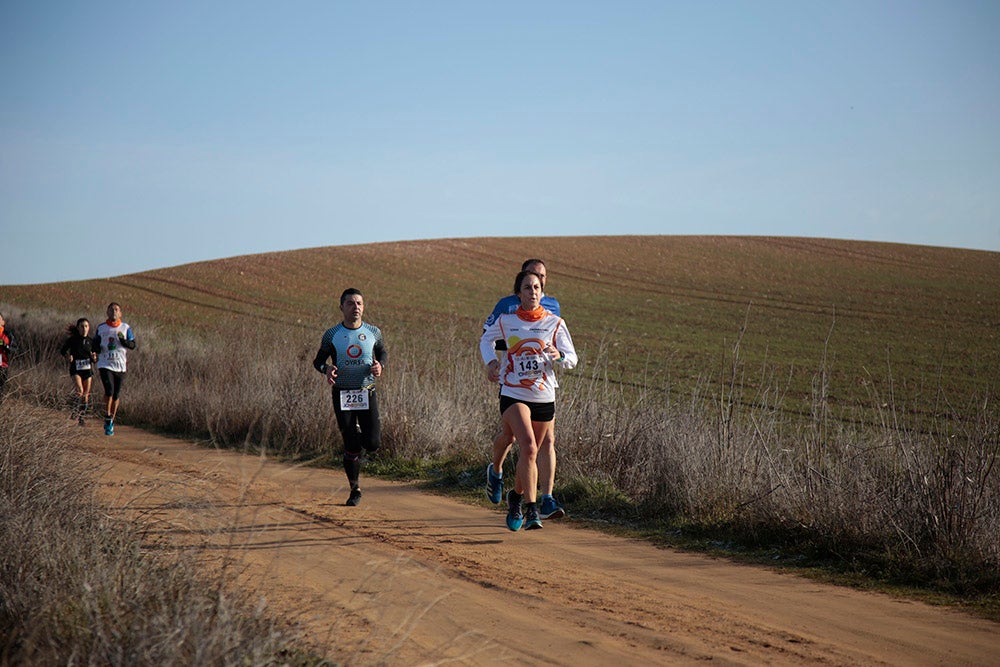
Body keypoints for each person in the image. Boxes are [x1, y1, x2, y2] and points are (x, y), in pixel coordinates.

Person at [480, 269, 577, 531]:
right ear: (518, 294)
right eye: (527, 288)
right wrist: (491, 362)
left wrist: (558, 355)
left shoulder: (555, 322)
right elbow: (486, 340)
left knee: (530, 453)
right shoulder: (506, 320)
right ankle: (532, 510)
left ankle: (515, 498)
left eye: (536, 288)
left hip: (544, 394)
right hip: (513, 392)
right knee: (530, 447)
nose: (532, 292)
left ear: (542, 293)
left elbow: (572, 358)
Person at [312, 288, 388, 507]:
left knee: (372, 443)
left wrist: (379, 365)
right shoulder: (332, 334)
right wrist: (326, 369)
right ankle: (355, 489)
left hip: (366, 392)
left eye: (359, 303)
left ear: (363, 307)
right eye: (350, 303)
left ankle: (355, 447)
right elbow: (318, 361)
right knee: (351, 444)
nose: (356, 307)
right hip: (342, 394)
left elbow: (382, 352)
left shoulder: (373, 331)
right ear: (342, 307)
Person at [93, 303, 136, 436]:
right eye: (111, 309)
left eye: (116, 309)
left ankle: (111, 419)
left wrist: (124, 341)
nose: (114, 312)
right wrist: (95, 351)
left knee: (116, 394)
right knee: (109, 390)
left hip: (120, 365)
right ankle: (106, 415)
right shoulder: (101, 328)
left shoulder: (125, 328)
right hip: (105, 364)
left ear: (120, 313)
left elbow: (133, 344)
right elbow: (94, 344)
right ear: (107, 312)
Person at [60, 318, 97, 425]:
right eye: (82, 326)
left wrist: (94, 358)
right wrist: (68, 356)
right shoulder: (72, 340)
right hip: (76, 369)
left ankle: (81, 417)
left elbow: (94, 358)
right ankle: (75, 409)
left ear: (89, 328)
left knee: (86, 395)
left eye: (86, 326)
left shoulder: (91, 341)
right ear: (78, 328)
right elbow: (63, 351)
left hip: (87, 370)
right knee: (79, 390)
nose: (84, 329)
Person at [0, 312, 13, 405]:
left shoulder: (8, 335)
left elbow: (15, 349)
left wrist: (6, 346)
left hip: (3, 365)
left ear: (3, 322)